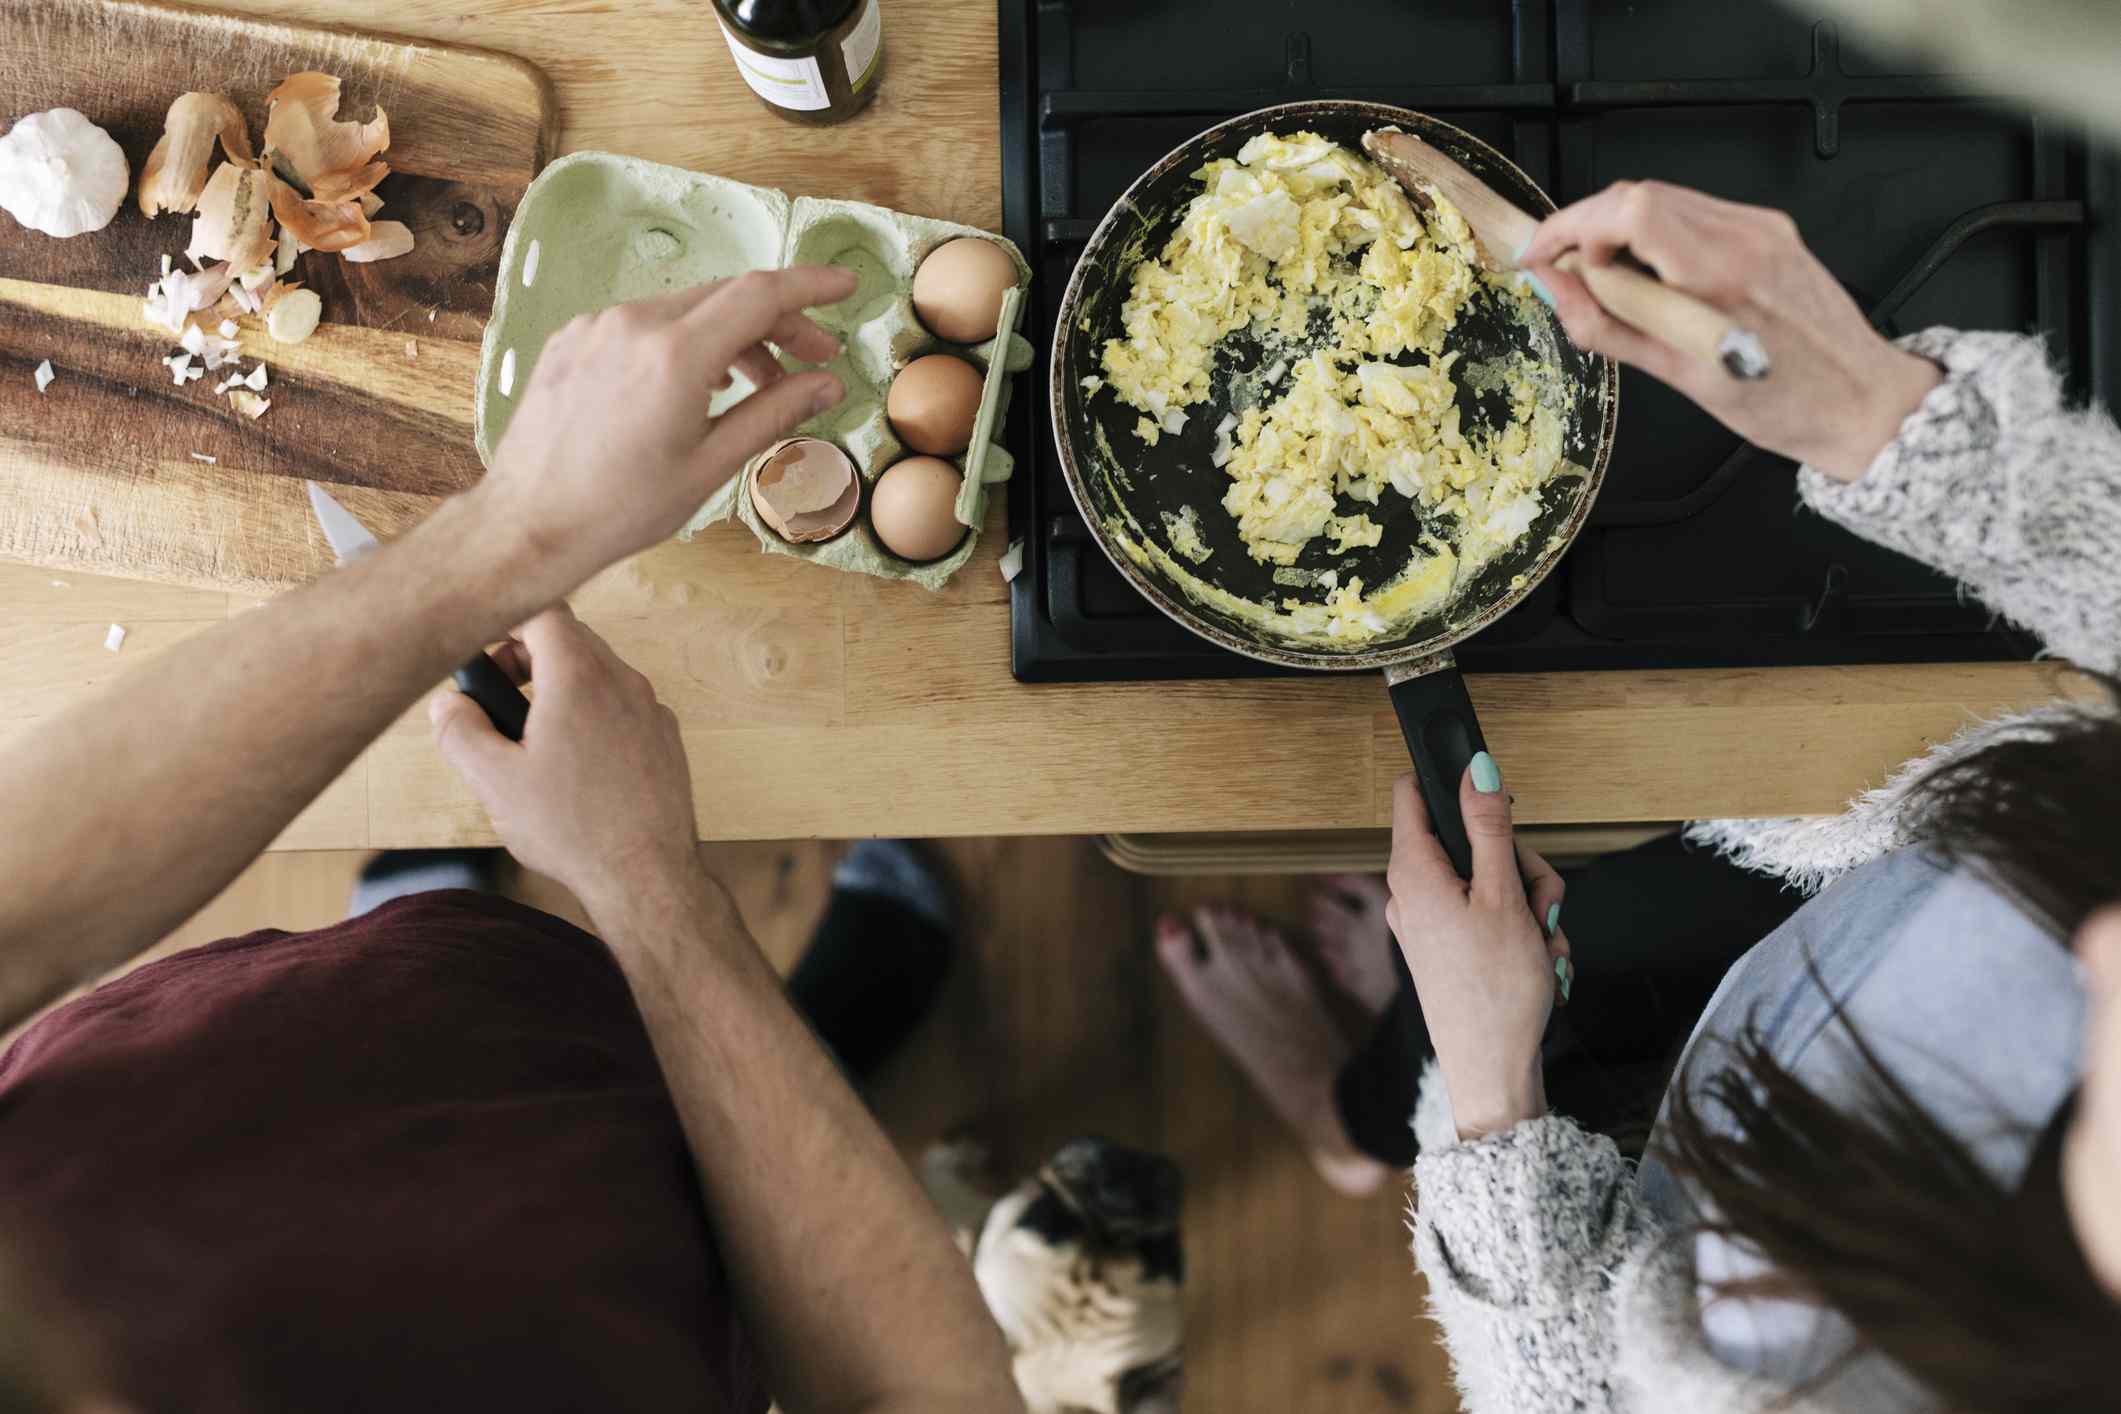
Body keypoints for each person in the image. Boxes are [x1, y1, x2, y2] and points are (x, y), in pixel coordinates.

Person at [1161, 179, 2121, 1411]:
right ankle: (1379, 1058)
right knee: (1537, 927)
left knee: (1469, 996)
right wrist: (1888, 418)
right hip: (1852, 878)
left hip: (1694, 1121)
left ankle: (1345, 1117)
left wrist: (1494, 1091)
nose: (2099, 932)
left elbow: (1575, 1397)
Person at [0, 268, 1022, 1414]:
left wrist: (505, 538)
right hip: (633, 1274)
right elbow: (921, 1391)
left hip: (350, 1038)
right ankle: (805, 1049)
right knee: (734, 1167)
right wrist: (653, 892)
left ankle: (440, 920)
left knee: (430, 965)